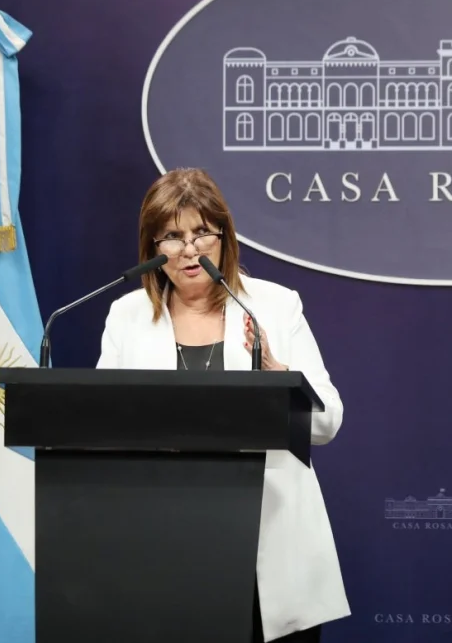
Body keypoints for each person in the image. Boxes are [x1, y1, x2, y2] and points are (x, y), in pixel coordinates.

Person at [96, 168, 350, 642]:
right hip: (161, 538)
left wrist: (277, 374)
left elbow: (327, 421)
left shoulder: (275, 306)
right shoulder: (127, 315)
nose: (189, 250)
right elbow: (102, 420)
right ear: (153, 247)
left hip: (265, 538)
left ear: (224, 236)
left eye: (201, 233)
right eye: (172, 236)